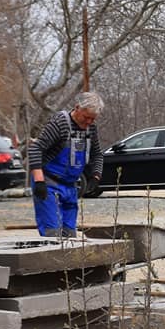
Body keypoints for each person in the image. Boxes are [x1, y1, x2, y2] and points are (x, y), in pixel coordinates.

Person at [27, 91, 105, 238]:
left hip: (70, 185)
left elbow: (97, 154)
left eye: (92, 119)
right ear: (77, 108)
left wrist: (96, 175)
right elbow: (35, 149)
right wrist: (39, 181)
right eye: (86, 117)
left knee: (70, 235)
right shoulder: (60, 124)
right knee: (53, 233)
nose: (88, 122)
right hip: (48, 182)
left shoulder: (91, 128)